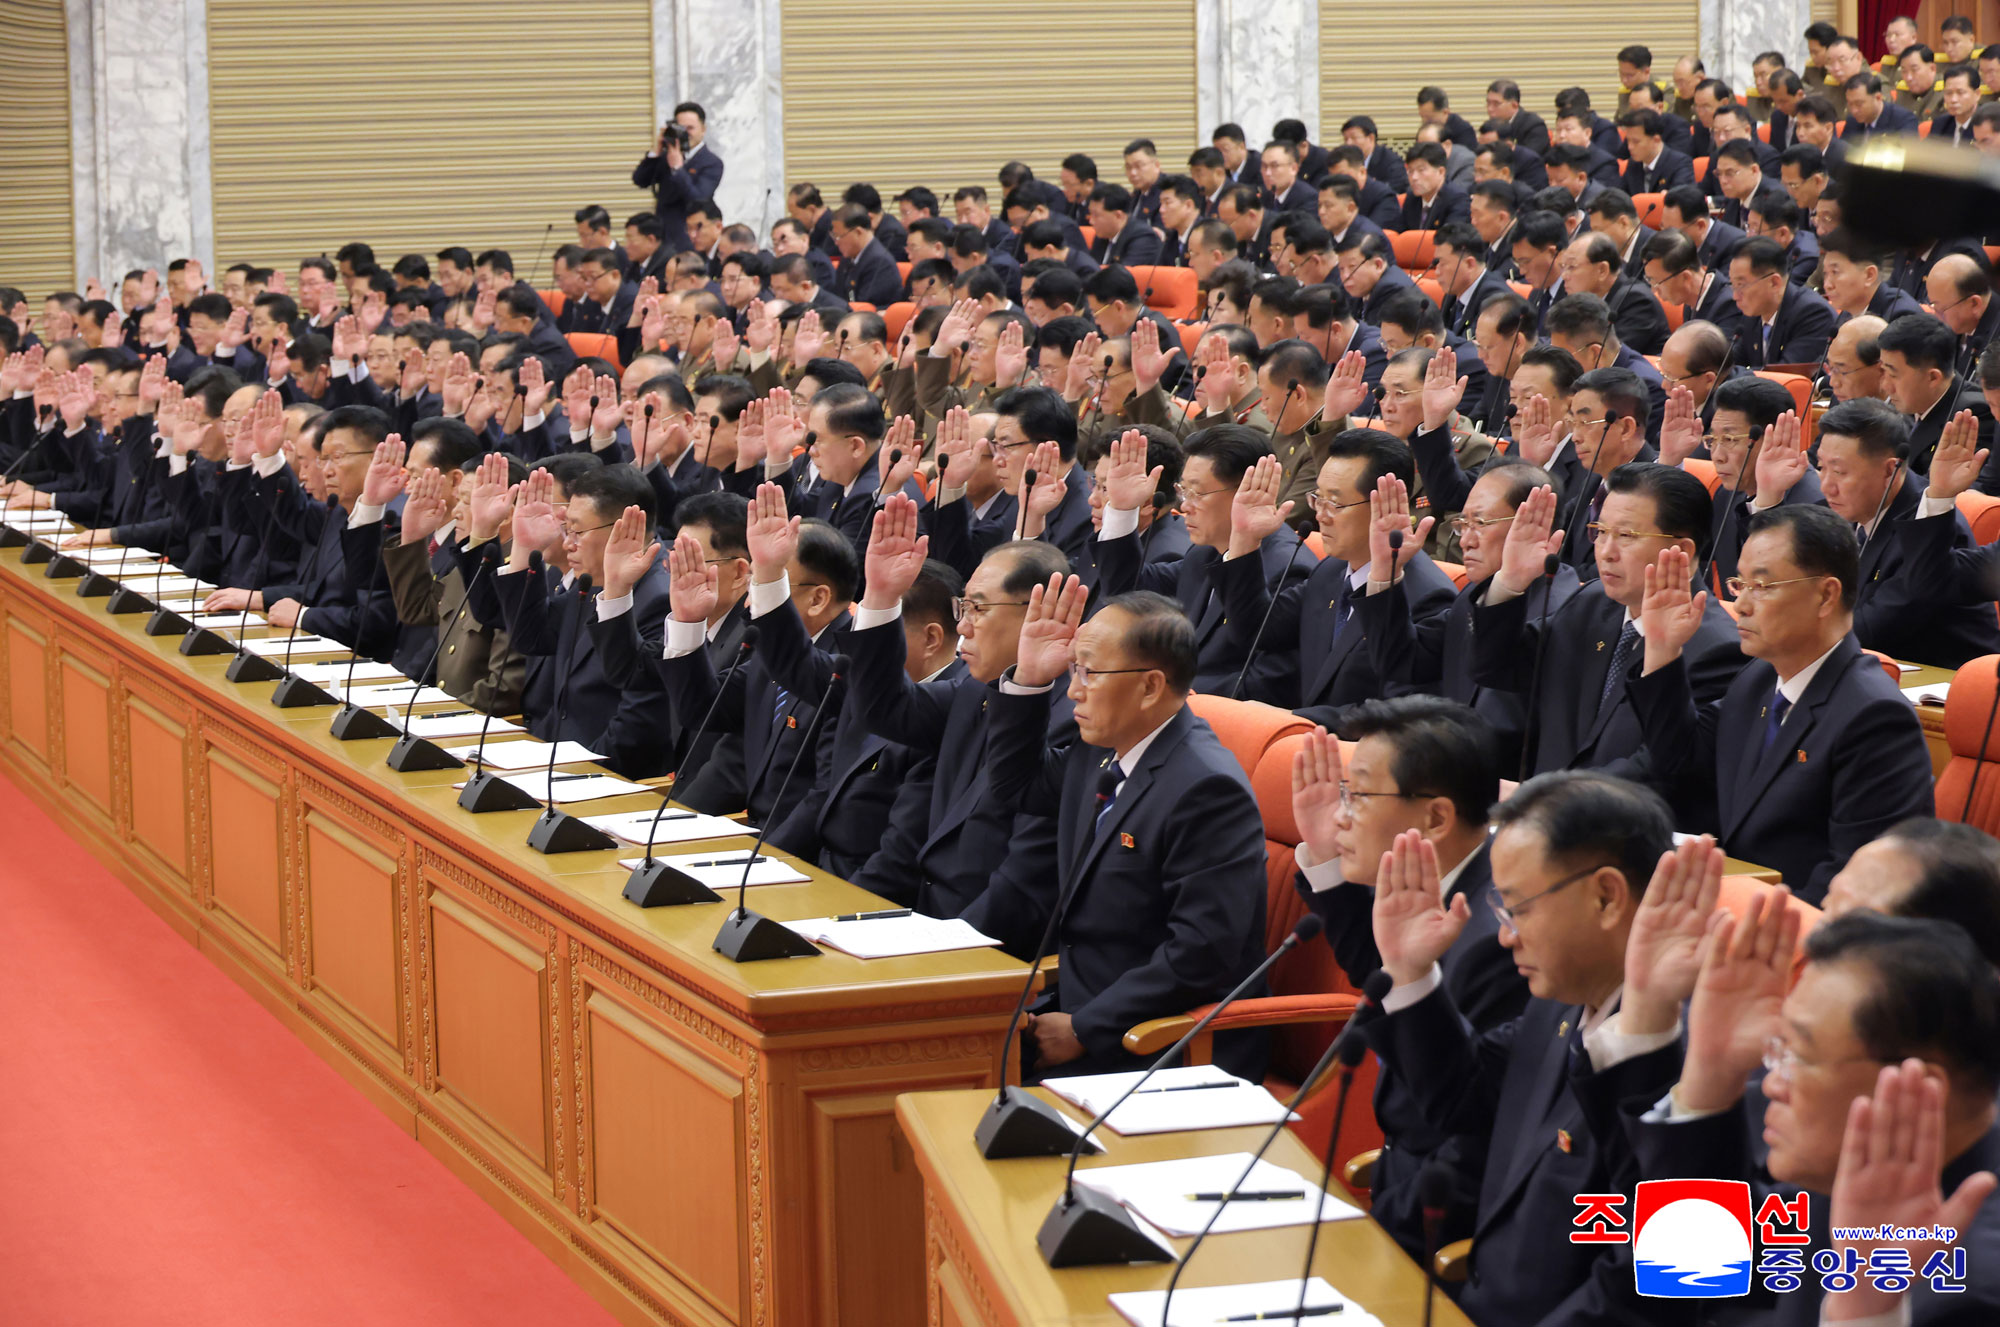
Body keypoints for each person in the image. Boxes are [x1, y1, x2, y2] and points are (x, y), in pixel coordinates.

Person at [1361, 770, 1686, 1327]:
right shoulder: (1559, 1002)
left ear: (1606, 896)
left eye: (1519, 908)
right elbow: (1466, 1102)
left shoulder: (1690, 1064)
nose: (1505, 934)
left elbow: (1668, 1293)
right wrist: (1411, 974)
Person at [1625, 904, 2000, 1324]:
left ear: (1916, 1084)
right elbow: (1686, 1287)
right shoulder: (1832, 1175)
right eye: (1777, 1048)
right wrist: (1706, 1081)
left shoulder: (1974, 1294)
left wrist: (1864, 1310)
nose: (1770, 1084)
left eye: (1798, 1056)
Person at [971, 577, 1269, 1080]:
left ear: (1151, 686)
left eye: (1089, 673)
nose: (1073, 691)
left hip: (1157, 1042)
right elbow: (1015, 787)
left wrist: (1085, 1028)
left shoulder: (1206, 791)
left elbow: (1200, 955)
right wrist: (1028, 678)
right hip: (1078, 1007)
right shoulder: (1102, 748)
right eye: (1073, 670)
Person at [1288, 704, 1529, 1258]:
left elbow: (1471, 1134)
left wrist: (1375, 1232)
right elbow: (1383, 976)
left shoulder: (1502, 937)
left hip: (1436, 1224)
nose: (1341, 815)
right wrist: (1326, 856)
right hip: (1399, 1178)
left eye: (1358, 796)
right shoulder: (1430, 878)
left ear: (1436, 818)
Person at [1631, 506, 1935, 900]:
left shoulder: (1875, 716)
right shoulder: (1758, 678)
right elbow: (1681, 761)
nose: (1740, 605)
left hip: (1795, 935)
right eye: (1740, 584)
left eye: (1763, 586)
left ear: (1826, 595)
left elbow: (1859, 883)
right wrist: (1662, 647)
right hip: (1734, 908)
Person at [1474, 464, 1745, 782]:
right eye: (1600, 532)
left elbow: (1662, 769)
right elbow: (1499, 669)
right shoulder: (1592, 603)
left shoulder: (1718, 649)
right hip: (1543, 815)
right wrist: (1509, 582)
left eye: (1626, 535)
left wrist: (1549, 798)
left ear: (1682, 551)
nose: (1605, 552)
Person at [1217, 427, 1459, 726]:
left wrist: (1289, 722)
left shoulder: (1428, 596)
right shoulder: (1331, 570)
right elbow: (1256, 631)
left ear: (1387, 505)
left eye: (1336, 502)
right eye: (1318, 497)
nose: (1320, 513)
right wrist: (1243, 539)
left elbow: (1396, 713)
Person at [1092, 425, 1317, 693]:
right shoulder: (1205, 550)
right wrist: (1122, 509)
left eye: (1196, 493)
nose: (1183, 506)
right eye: (1183, 490)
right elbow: (1128, 593)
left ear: (1249, 490)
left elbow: (1265, 683)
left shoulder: (1286, 569)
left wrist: (1168, 689)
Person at [1810, 397, 2000, 668]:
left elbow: (1869, 630)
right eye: (1820, 468)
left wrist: (1786, 632)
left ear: (1890, 468)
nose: (1826, 486)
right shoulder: (1833, 510)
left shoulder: (1932, 530)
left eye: (1839, 472)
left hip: (1938, 685)